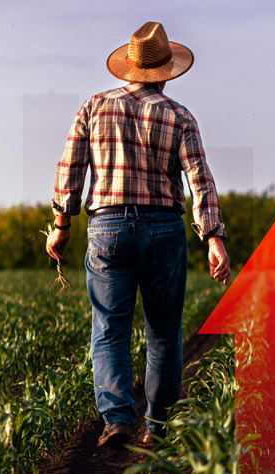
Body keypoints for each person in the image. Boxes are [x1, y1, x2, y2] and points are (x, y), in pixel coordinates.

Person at [45, 21, 231, 449]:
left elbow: (70, 169)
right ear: (166, 72)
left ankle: (116, 420)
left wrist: (61, 225)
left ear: (129, 67)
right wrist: (213, 237)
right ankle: (158, 426)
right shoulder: (180, 116)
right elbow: (200, 180)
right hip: (164, 228)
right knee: (163, 332)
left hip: (107, 229)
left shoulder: (93, 107)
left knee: (110, 329)